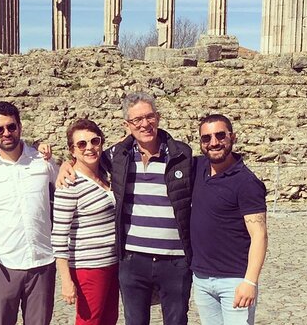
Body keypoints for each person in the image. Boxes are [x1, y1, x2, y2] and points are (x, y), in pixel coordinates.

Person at [58, 92, 194, 325]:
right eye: (136, 120)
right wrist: (65, 164)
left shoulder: (183, 154)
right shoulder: (118, 155)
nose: (144, 124)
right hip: (133, 261)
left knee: (176, 321)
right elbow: (85, 159)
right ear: (127, 125)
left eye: (149, 117)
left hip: (175, 260)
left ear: (158, 117)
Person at [0, 101, 58, 325]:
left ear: (20, 127)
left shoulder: (42, 161)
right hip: (4, 260)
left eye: (11, 127)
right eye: (0, 129)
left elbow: (64, 189)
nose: (6, 133)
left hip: (42, 260)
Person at [190, 114, 268, 325]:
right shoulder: (197, 169)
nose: (213, 142)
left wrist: (250, 281)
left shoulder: (246, 182)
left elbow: (259, 235)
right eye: (206, 138)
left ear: (232, 137)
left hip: (234, 280)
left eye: (220, 135)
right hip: (202, 278)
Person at [52, 119, 118, 325]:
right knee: (89, 321)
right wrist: (65, 281)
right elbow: (59, 236)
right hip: (88, 267)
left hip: (112, 263)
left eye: (94, 141)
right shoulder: (69, 184)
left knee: (109, 320)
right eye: (81, 144)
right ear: (72, 150)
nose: (89, 147)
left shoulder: (106, 176)